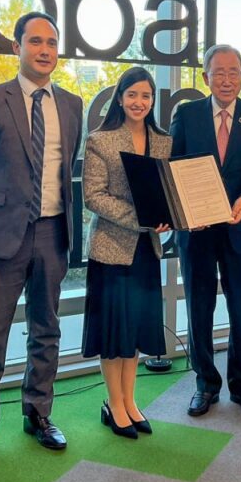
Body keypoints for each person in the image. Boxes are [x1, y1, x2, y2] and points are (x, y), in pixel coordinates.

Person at [0, 12, 83, 471]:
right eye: (35, 41)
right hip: (2, 236)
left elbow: (67, 166)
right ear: (17, 47)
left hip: (53, 232)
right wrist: (3, 206)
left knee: (46, 329)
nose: (45, 50)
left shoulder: (72, 104)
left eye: (52, 42)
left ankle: (38, 414)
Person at [170, 45, 241, 418]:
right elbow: (174, 166)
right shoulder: (187, 115)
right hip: (197, 231)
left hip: (239, 227)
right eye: (219, 72)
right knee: (199, 309)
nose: (227, 80)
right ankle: (205, 384)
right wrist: (186, 211)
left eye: (233, 72)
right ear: (206, 77)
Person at [81, 67, 171, 439]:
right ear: (120, 98)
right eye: (132, 94)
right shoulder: (99, 139)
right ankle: (113, 404)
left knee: (134, 329)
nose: (139, 102)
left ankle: (130, 401)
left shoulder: (163, 141)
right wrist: (141, 219)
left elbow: (168, 191)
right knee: (113, 331)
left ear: (152, 100)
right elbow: (93, 196)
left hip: (147, 250)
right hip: (111, 249)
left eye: (145, 96)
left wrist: (168, 217)